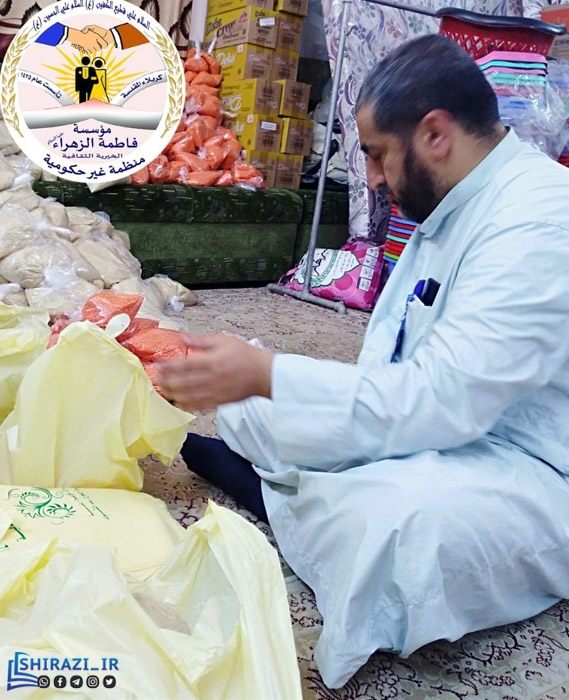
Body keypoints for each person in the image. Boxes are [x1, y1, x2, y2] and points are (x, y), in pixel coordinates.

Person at [157, 34, 569, 689]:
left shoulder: (539, 222)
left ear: (435, 134)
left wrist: (271, 375)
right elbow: (392, 368)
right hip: (442, 416)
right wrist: (267, 383)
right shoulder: (457, 201)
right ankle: (294, 490)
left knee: (396, 523)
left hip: (534, 465)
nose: (371, 177)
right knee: (256, 405)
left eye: (376, 155)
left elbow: (441, 400)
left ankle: (271, 493)